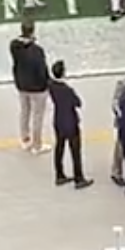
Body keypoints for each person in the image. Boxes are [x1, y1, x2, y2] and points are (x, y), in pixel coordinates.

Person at [48, 60, 93, 189]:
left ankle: (59, 174)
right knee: (75, 151)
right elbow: (78, 103)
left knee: (59, 147)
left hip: (58, 120)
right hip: (70, 122)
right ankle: (79, 178)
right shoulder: (67, 90)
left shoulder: (51, 85)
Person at [10, 19, 50, 154]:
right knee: (37, 116)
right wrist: (46, 84)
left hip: (22, 84)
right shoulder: (37, 51)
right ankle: (36, 145)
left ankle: (25, 139)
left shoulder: (15, 47)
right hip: (37, 87)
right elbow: (41, 70)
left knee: (25, 112)